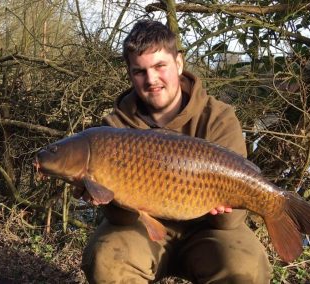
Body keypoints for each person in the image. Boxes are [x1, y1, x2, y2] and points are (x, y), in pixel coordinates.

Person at [77, 19, 272, 283]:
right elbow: (119, 218)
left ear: (178, 63)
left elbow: (229, 224)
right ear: (130, 73)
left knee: (245, 265)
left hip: (208, 231)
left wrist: (229, 207)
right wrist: (101, 195)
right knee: (106, 259)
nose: (151, 79)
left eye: (160, 66)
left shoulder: (218, 118)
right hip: (141, 229)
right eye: (140, 71)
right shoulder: (115, 128)